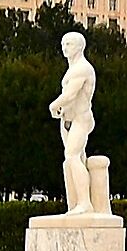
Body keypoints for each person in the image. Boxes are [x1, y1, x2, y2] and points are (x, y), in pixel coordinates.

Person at [48, 32, 98, 215]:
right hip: (67, 120)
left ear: (79, 46)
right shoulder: (72, 68)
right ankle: (75, 203)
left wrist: (53, 105)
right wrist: (61, 110)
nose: (64, 47)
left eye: (68, 44)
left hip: (81, 119)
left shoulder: (82, 68)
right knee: (73, 160)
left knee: (72, 156)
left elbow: (70, 94)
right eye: (63, 43)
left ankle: (85, 203)